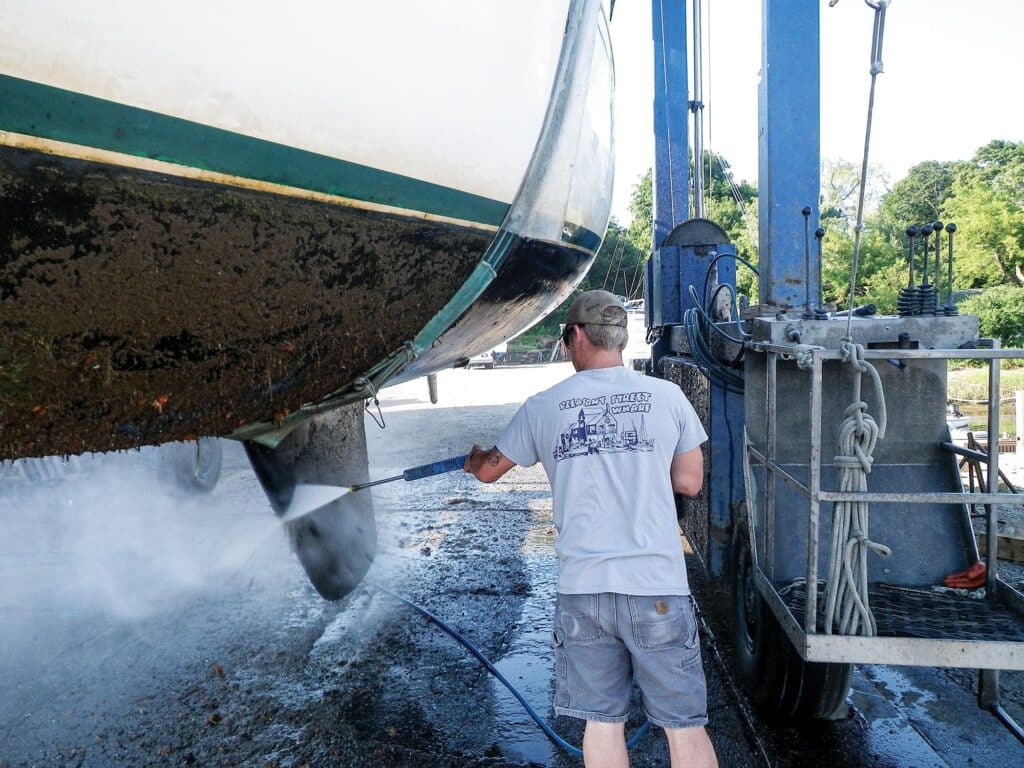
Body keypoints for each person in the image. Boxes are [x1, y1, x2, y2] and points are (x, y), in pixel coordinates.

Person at [464, 290, 718, 768]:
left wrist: (474, 456)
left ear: (576, 336)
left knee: (602, 724)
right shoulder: (668, 397)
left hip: (584, 591)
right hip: (657, 587)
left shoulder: (543, 406)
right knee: (685, 728)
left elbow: (488, 472)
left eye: (566, 337)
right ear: (620, 340)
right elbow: (688, 480)